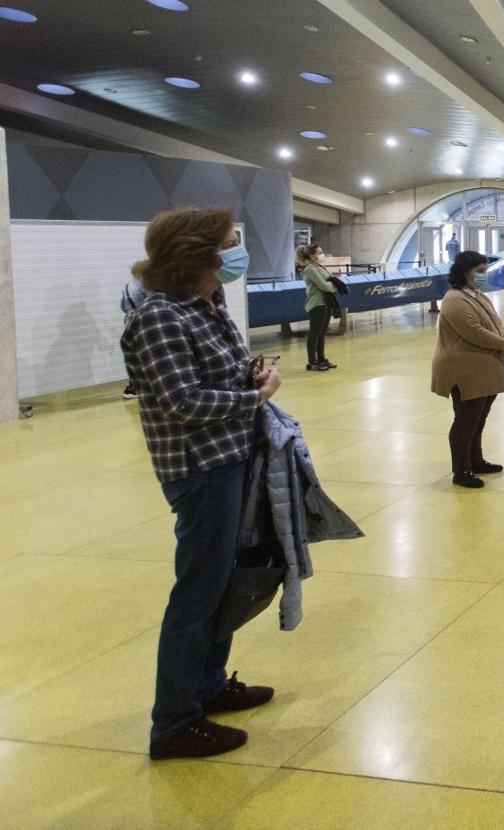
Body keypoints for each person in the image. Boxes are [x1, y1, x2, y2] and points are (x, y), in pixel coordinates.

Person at [120, 208, 282, 760]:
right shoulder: (159, 317)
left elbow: (214, 377)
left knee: (223, 585)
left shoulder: (207, 306)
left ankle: (208, 685)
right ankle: (173, 722)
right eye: (231, 243)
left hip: (232, 458)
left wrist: (249, 377)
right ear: (199, 252)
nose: (239, 251)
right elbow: (182, 401)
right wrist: (255, 397)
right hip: (200, 469)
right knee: (196, 593)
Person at [431, 251, 504, 488]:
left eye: (484, 271)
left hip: (484, 369)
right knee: (466, 421)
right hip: (464, 370)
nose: (483, 275)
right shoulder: (454, 299)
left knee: (479, 419)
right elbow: (473, 331)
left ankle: (476, 460)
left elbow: (497, 322)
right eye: (479, 271)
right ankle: (461, 470)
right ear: (465, 272)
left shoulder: (477, 295)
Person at [297, 244, 337, 371]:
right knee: (314, 333)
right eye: (319, 253)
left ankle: (321, 359)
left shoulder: (319, 267)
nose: (322, 255)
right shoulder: (310, 269)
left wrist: (333, 284)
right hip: (316, 304)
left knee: (322, 333)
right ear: (311, 255)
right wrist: (335, 287)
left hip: (325, 302)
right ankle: (312, 362)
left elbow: (331, 279)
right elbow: (324, 285)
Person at [119, 278, 149, 399]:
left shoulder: (129, 286)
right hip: (141, 320)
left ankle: (134, 385)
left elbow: (123, 306)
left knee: (134, 354)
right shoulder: (144, 285)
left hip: (132, 318)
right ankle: (135, 386)